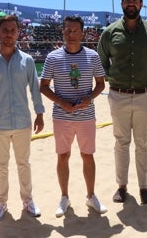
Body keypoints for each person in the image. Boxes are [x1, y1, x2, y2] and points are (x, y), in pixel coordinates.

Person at [97, 0, 147, 204]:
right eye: (127, 0)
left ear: (141, 4)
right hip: (118, 95)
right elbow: (102, 61)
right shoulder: (109, 32)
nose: (131, 3)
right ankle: (122, 186)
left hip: (145, 95)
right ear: (122, 4)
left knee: (143, 143)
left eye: (135, 0)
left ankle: (144, 187)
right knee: (121, 142)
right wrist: (114, 79)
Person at [40, 15, 107, 217]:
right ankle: (64, 197)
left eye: (75, 30)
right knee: (63, 156)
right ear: (63, 32)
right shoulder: (53, 57)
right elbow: (43, 86)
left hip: (86, 115)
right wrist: (60, 101)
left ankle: (91, 195)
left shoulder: (92, 56)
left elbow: (101, 84)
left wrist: (90, 98)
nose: (71, 34)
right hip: (62, 116)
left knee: (88, 155)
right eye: (67, 30)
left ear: (83, 33)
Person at [0, 15, 45, 222]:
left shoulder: (27, 60)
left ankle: (28, 200)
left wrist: (39, 114)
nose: (9, 34)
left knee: (24, 164)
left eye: (13, 30)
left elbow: (34, 89)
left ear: (18, 32)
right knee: (0, 166)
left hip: (23, 122)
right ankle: (0, 203)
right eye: (5, 30)